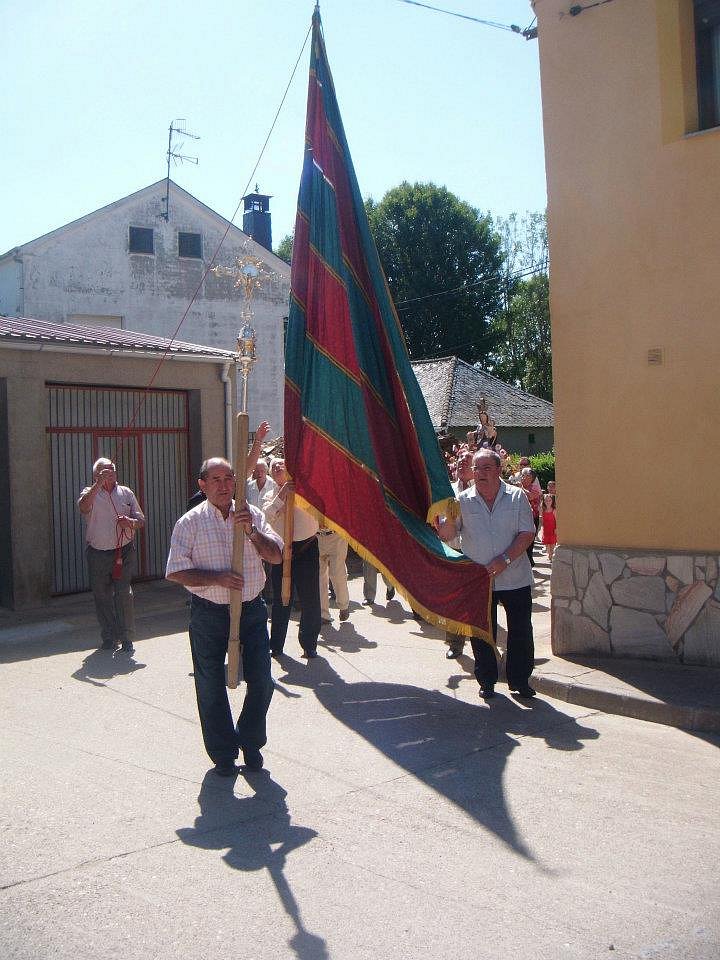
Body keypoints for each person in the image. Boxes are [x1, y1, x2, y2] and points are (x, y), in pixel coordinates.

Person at [166, 457, 283, 776]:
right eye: (215, 480)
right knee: (210, 683)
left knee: (262, 680)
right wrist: (216, 578)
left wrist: (252, 533)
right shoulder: (189, 523)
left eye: (229, 478)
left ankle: (251, 741)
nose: (223, 485)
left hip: (252, 610)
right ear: (202, 485)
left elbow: (276, 555)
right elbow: (175, 571)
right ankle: (222, 753)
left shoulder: (252, 514)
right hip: (209, 613)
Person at [437, 449, 536, 700]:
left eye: (486, 468)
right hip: (479, 580)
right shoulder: (461, 500)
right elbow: (450, 534)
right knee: (482, 633)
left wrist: (505, 559)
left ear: (499, 470)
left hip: (515, 577)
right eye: (476, 468)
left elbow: (527, 533)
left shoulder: (516, 497)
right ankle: (487, 681)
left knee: (520, 631)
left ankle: (520, 680)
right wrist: (442, 526)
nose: (480, 473)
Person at [78, 458, 145, 654]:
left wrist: (131, 522)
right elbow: (83, 507)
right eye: (105, 471)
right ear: (95, 475)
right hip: (98, 553)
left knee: (124, 594)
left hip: (123, 550)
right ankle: (108, 636)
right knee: (102, 596)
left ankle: (127, 638)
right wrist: (98, 484)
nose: (110, 473)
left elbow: (140, 520)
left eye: (112, 470)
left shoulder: (126, 492)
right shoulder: (89, 493)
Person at [262, 458, 322, 659]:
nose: (277, 467)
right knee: (281, 599)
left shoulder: (306, 488)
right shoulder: (269, 494)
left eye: (281, 464)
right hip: (281, 551)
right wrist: (282, 495)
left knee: (310, 599)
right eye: (274, 467)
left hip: (306, 547)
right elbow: (267, 515)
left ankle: (309, 644)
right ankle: (276, 645)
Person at [444, 449, 474, 659]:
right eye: (460, 459)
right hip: (453, 551)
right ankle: (455, 642)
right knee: (454, 599)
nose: (462, 462)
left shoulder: (482, 490)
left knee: (475, 598)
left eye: (467, 459)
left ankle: (481, 636)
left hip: (476, 552)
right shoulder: (448, 490)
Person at [317, 525, 350, 623]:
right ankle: (323, 614)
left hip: (337, 535)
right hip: (316, 537)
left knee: (337, 574)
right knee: (319, 577)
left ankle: (343, 605)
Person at [541, 492, 557, 561]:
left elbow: (556, 520)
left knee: (552, 543)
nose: (548, 502)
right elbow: (541, 520)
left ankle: (551, 555)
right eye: (546, 500)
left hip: (552, 529)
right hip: (546, 529)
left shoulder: (554, 510)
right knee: (547, 544)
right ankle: (549, 554)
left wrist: (556, 528)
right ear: (544, 501)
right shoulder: (543, 510)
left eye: (549, 500)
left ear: (552, 501)